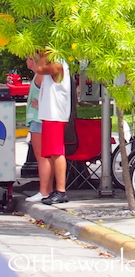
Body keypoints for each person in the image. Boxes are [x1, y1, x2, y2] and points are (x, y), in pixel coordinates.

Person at [34, 51, 71, 205]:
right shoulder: (53, 63)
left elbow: (39, 69)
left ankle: (61, 190)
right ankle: (55, 190)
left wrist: (42, 54)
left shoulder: (58, 64)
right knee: (51, 153)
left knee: (57, 152)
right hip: (50, 115)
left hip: (55, 115)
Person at [24, 55, 53, 203]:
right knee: (45, 156)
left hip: (37, 119)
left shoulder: (40, 75)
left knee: (42, 157)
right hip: (38, 118)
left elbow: (47, 94)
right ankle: (47, 190)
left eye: (29, 58)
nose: (26, 61)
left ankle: (44, 191)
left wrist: (40, 105)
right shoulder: (40, 75)